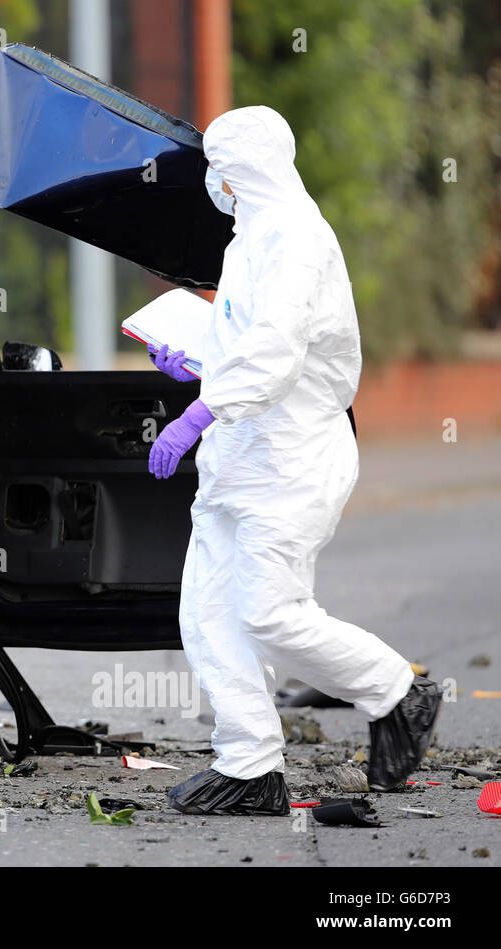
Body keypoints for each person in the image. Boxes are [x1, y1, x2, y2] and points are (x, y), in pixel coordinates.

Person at [146, 106, 441, 815]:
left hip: (295, 457)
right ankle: (249, 765)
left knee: (270, 613)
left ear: (245, 170)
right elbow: (249, 345)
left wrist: (195, 414)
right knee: (209, 615)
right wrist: (193, 361)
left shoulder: (297, 241)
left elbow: (276, 357)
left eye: (220, 168)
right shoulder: (248, 241)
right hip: (242, 457)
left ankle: (397, 691)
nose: (214, 182)